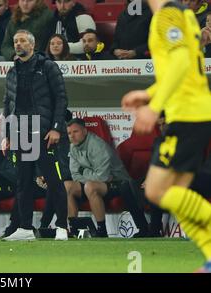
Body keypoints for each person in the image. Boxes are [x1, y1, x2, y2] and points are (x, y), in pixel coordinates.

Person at [121, 0, 211, 272]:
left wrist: (154, 106)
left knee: (157, 190)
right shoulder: (182, 14)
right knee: (177, 194)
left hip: (185, 114)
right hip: (195, 112)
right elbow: (180, 67)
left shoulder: (167, 16)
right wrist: (149, 94)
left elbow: (182, 62)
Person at [1, 30, 69, 241]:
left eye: (22, 41)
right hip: (20, 132)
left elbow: (61, 98)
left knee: (53, 180)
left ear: (32, 44)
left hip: (43, 131)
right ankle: (25, 227)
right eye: (15, 41)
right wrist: (7, 134)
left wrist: (56, 127)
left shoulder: (47, 66)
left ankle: (62, 227)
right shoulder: (12, 72)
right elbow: (7, 104)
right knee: (23, 182)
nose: (18, 44)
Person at [66, 118, 148, 237]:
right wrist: (86, 175)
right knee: (68, 186)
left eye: (75, 132)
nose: (72, 136)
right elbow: (74, 174)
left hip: (118, 182)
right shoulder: (73, 147)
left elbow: (102, 177)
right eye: (69, 133)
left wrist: (83, 171)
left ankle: (101, 230)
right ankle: (73, 229)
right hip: (99, 182)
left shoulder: (97, 145)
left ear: (84, 131)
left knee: (90, 187)